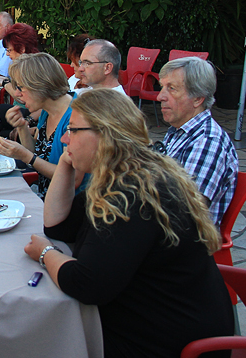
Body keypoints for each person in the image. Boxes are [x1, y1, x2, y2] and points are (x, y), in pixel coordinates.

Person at [24, 88, 233, 357]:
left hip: (170, 342)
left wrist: (45, 253)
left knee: (40, 341)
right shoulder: (123, 174)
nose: (65, 138)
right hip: (158, 322)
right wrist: (66, 161)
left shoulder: (130, 195)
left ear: (105, 135)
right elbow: (57, 226)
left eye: (72, 130)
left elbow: (86, 285)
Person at [156, 56, 239, 225]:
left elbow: (186, 211)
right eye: (162, 87)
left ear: (198, 98)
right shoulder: (179, 130)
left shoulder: (207, 141)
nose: (160, 96)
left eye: (171, 88)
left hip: (181, 235)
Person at [0, 53, 73, 198]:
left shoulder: (76, 118)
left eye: (20, 87)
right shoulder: (47, 110)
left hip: (65, 203)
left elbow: (71, 178)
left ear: (39, 85)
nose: (17, 94)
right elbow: (36, 152)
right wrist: (22, 127)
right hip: (45, 194)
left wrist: (26, 157)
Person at [0, 23, 40, 137]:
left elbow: (21, 98)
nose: (7, 54)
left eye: (9, 50)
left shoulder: (31, 68)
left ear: (22, 49)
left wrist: (5, 83)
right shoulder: (28, 63)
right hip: (25, 113)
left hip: (31, 115)